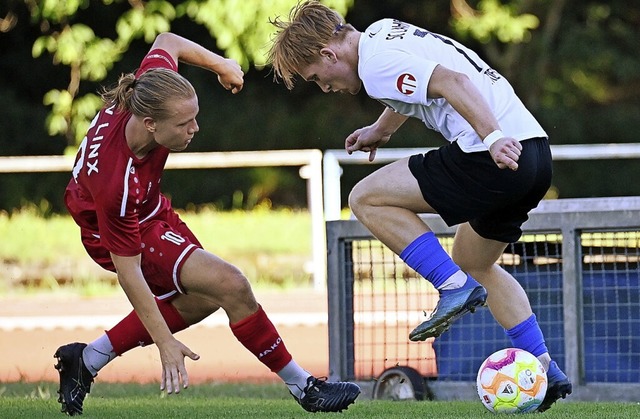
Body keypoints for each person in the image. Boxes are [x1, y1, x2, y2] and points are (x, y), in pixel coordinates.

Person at [267, 0, 571, 412]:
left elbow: (453, 83)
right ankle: (543, 366)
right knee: (474, 259)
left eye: (319, 78)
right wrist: (380, 129)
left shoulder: (374, 67)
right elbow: (417, 86)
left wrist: (493, 137)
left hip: (491, 154)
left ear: (328, 54)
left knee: (365, 198)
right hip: (534, 156)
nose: (326, 87)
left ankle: (451, 286)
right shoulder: (382, 32)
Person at [54, 31, 360, 416]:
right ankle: (304, 387)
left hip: (151, 210)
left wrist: (222, 65)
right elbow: (128, 274)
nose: (194, 129)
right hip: (115, 228)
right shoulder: (116, 183)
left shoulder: (149, 88)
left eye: (194, 116)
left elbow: (167, 41)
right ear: (149, 124)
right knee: (230, 285)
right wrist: (165, 342)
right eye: (184, 123)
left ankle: (88, 359)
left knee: (207, 296)